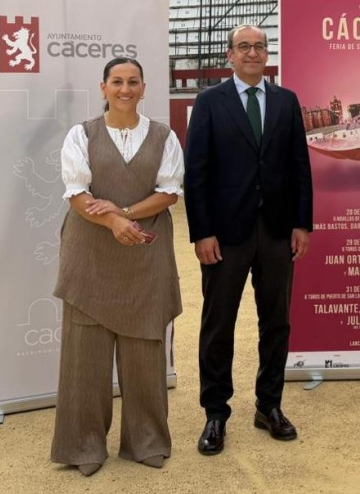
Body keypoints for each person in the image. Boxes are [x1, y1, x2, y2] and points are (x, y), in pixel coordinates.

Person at [184, 24, 313, 456]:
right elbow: (196, 172)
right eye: (244, 47)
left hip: (277, 232)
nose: (253, 53)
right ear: (230, 55)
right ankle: (215, 413)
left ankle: (269, 406)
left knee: (276, 323)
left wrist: (302, 223)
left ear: (267, 54)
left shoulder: (286, 101)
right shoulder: (209, 102)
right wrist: (202, 231)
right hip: (225, 235)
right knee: (218, 324)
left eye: (259, 46)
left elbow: (299, 166)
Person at [51, 57, 184, 475]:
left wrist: (124, 213)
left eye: (133, 82)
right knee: (84, 358)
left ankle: (147, 440)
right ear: (103, 87)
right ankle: (82, 445)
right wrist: (112, 223)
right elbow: (77, 193)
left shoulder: (164, 137)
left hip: (145, 256)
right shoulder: (80, 135)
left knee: (145, 352)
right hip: (90, 255)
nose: (125, 89)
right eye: (117, 81)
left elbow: (169, 192)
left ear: (144, 89)